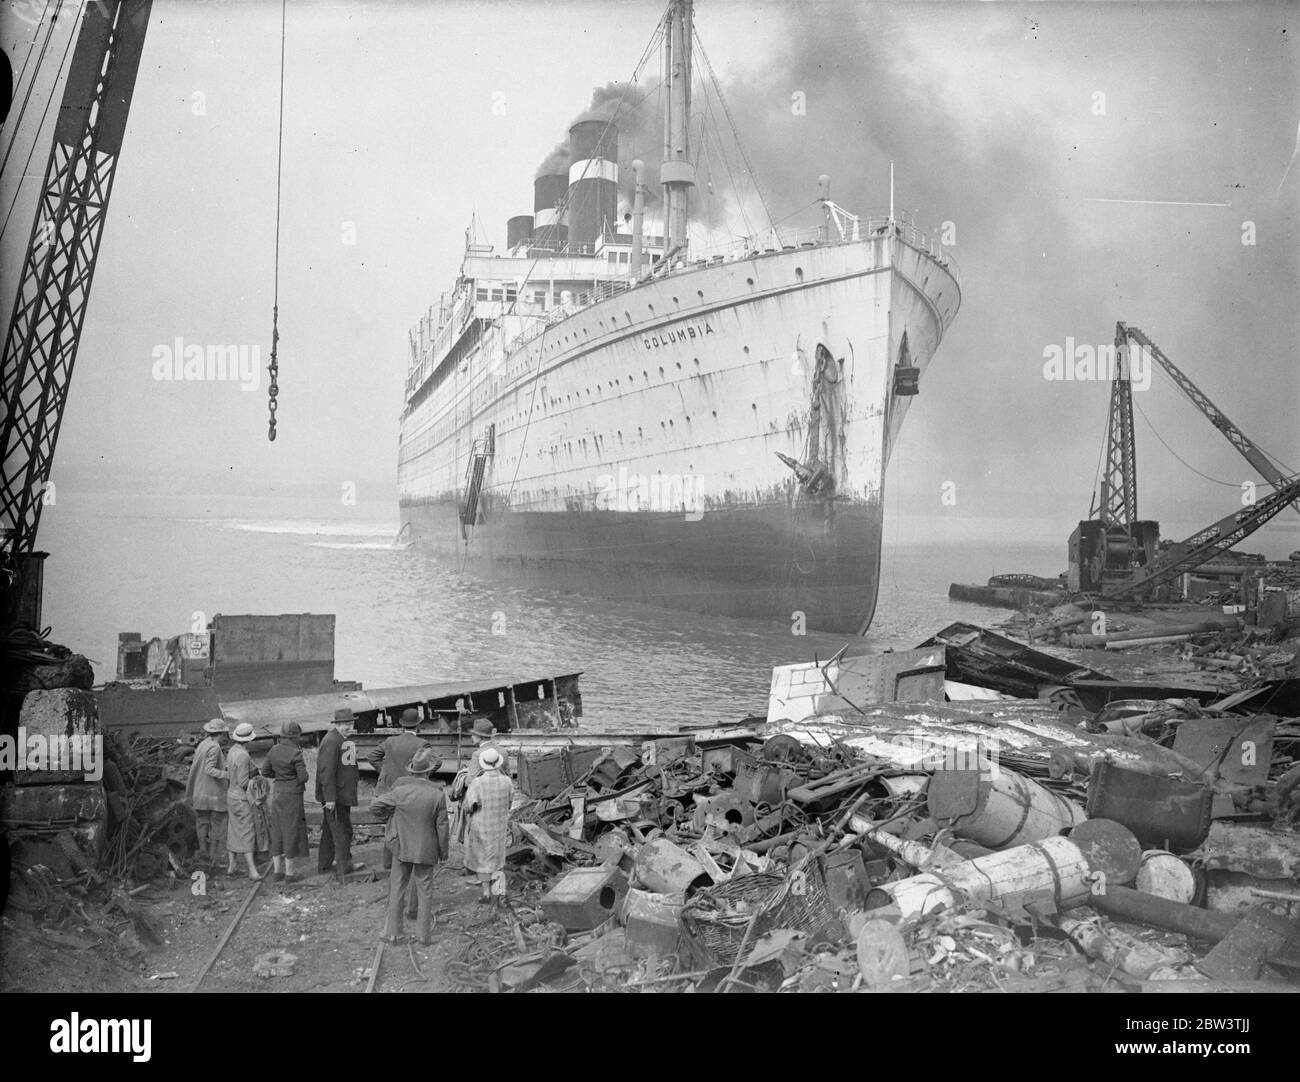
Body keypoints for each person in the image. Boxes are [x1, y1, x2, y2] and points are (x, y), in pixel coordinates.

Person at [369, 746, 449, 945]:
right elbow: (443, 828)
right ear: (429, 771)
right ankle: (423, 935)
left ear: (412, 770)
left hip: (401, 848)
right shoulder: (437, 795)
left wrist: (389, 817)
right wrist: (443, 852)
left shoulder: (400, 791)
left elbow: (375, 806)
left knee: (397, 888)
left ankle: (394, 933)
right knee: (425, 891)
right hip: (426, 849)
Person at [367, 708, 428, 873]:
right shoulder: (421, 744)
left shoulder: (390, 741)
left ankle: (388, 862)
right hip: (411, 790)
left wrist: (384, 772)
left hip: (389, 790)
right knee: (411, 825)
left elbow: (372, 756)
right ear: (418, 726)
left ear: (402, 726)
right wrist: (420, 776)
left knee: (391, 825)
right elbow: (436, 763)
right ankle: (409, 860)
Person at [462, 746, 513, 907]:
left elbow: (468, 806)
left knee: (482, 858)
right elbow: (510, 802)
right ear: (498, 763)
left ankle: (485, 893)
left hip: (481, 825)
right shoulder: (507, 781)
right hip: (499, 824)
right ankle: (499, 893)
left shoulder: (478, 783)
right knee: (498, 857)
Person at [317, 706, 364, 881]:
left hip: (342, 794)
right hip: (335, 797)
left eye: (351, 723)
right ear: (337, 724)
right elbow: (326, 772)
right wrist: (329, 798)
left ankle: (324, 865)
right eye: (345, 724)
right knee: (342, 830)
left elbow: (350, 767)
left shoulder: (343, 740)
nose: (349, 727)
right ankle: (344, 867)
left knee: (330, 830)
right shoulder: (331, 741)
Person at [261, 720, 309, 883]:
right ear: (296, 736)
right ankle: (290, 874)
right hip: (293, 796)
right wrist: (292, 779)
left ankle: (277, 872)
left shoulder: (273, 750)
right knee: (291, 831)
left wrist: (281, 778)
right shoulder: (296, 753)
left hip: (277, 794)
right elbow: (303, 777)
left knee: (277, 830)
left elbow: (265, 771)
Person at [185, 718, 230, 872]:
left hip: (199, 793)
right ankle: (214, 861)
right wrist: (227, 774)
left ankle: (203, 854)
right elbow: (209, 769)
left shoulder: (203, 743)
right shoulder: (215, 747)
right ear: (221, 733)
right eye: (224, 734)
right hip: (213, 796)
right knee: (217, 827)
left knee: (202, 823)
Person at [224, 723, 264, 880]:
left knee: (233, 829)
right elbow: (243, 782)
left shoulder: (233, 750)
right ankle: (252, 870)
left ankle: (231, 865)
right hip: (241, 798)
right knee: (248, 832)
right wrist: (257, 785)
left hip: (231, 795)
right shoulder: (243, 755)